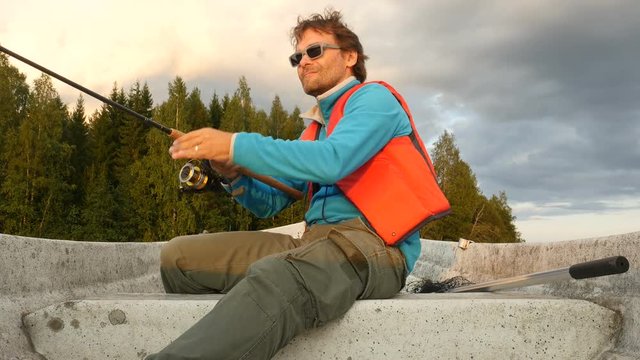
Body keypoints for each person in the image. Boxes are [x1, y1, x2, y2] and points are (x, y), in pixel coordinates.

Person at [147, 9, 449, 360]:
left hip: (376, 248)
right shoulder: (314, 129)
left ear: (350, 57)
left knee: (278, 276)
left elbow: (333, 160)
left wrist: (234, 144)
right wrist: (232, 173)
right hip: (314, 244)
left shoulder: (374, 101)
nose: (303, 62)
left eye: (315, 51)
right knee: (177, 258)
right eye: (297, 56)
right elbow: (269, 203)